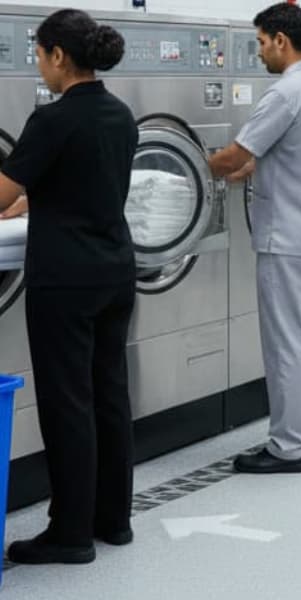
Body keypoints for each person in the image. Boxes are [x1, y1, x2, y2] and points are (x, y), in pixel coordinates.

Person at [0, 10, 138, 563]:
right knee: (109, 394)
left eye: (38, 53)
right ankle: (114, 521)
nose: (39, 63)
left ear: (59, 55)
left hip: (66, 279)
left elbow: (4, 191)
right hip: (114, 271)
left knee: (67, 402)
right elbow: (74, 186)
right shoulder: (120, 114)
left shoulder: (52, 120)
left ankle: (71, 534)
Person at [209, 3, 301, 474]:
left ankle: (288, 446)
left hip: (286, 235)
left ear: (281, 41)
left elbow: (233, 156)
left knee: (286, 340)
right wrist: (252, 167)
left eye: (262, 42)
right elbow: (289, 153)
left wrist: (188, 165)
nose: (260, 51)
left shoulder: (285, 93)